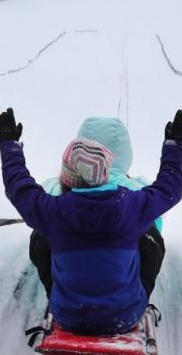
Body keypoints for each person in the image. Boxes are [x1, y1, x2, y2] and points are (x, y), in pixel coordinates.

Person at [0, 107, 182, 335]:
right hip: (125, 314)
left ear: (66, 177)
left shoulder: (54, 211)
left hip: (68, 316)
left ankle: (60, 293)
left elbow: (19, 188)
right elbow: (169, 188)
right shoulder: (131, 205)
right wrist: (175, 145)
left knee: (40, 235)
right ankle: (130, 293)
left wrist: (9, 145)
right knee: (150, 235)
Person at [30, 117, 168, 302]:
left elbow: (35, 197)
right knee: (150, 231)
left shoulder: (57, 188)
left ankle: (56, 294)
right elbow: (163, 201)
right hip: (122, 272)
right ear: (125, 152)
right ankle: (139, 297)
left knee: (41, 232)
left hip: (70, 269)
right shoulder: (138, 190)